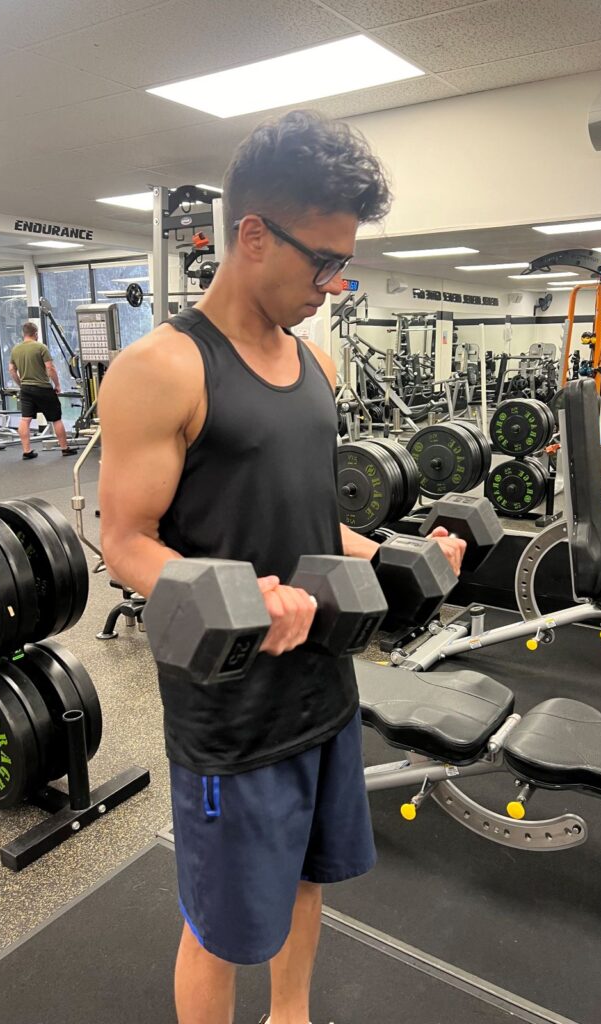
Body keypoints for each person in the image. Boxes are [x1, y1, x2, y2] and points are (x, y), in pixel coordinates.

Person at [98, 109, 466, 1024]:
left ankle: (290, 1016)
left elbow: (313, 520)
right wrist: (230, 590)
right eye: (323, 262)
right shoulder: (164, 367)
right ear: (253, 236)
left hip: (324, 687)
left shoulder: (317, 365)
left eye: (345, 264)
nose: (333, 285)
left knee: (310, 874)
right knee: (222, 924)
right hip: (232, 707)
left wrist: (395, 554)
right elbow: (125, 540)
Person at [8, 322, 76, 459]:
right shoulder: (40, 347)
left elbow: (11, 370)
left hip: (26, 389)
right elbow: (50, 368)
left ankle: (27, 451)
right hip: (43, 388)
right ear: (36, 333)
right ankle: (64, 448)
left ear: (23, 333)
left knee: (25, 419)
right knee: (56, 419)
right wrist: (57, 385)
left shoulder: (16, 349)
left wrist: (21, 384)